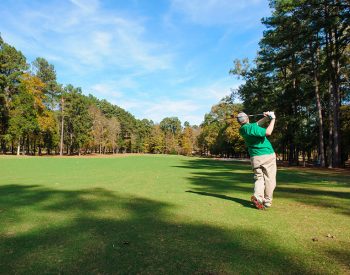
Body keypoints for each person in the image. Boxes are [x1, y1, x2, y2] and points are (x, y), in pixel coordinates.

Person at [237, 111, 277, 209]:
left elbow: (257, 124)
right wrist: (273, 119)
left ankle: (258, 197)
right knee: (269, 179)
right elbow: (268, 132)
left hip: (255, 157)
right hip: (267, 155)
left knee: (259, 177)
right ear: (247, 118)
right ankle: (267, 202)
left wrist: (267, 118)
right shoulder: (252, 128)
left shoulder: (242, 129)